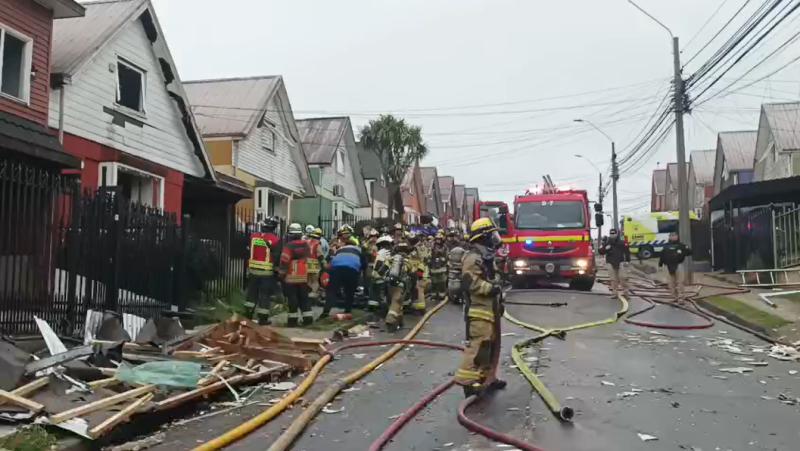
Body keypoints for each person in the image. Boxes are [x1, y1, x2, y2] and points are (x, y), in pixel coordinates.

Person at [455, 217, 506, 397]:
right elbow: (471, 283)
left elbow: (492, 279)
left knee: (489, 348)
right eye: (492, 235)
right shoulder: (472, 258)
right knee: (477, 347)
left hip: (490, 310)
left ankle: (487, 378)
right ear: (483, 237)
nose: (495, 238)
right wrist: (492, 288)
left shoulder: (486, 257)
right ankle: (468, 384)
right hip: (478, 312)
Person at [246, 217, 281, 324]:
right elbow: (277, 257)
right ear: (274, 227)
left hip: (252, 271)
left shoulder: (253, 236)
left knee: (251, 295)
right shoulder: (275, 239)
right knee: (264, 296)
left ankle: (247, 316)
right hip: (266, 272)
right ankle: (263, 319)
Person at [278, 223, 314, 326]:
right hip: (303, 276)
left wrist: (281, 274)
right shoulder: (306, 245)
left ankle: (292, 321)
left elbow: (284, 261)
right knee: (304, 298)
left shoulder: (289, 246)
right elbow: (310, 259)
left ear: (290, 234)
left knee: (292, 299)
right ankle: (308, 320)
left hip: (291, 277)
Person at [323, 236, 367, 317]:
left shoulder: (340, 250)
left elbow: (332, 261)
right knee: (350, 291)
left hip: (336, 269)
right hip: (352, 270)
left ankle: (326, 311)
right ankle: (347, 311)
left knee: (331, 291)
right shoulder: (359, 250)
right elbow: (364, 265)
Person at [381, 237, 413, 332]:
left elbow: (381, 270)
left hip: (389, 284)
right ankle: (390, 320)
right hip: (400, 285)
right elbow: (412, 273)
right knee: (396, 303)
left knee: (395, 303)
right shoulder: (407, 261)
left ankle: (399, 321)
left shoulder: (391, 259)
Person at [659, 232, 692, 301]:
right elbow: (662, 256)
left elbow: (689, 252)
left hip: (678, 265)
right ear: (669, 237)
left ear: (677, 237)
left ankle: (681, 298)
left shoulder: (681, 245)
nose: (673, 237)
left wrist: (685, 250)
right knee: (671, 283)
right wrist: (660, 265)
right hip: (668, 266)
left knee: (680, 282)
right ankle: (674, 297)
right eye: (672, 236)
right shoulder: (666, 246)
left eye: (675, 236)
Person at [598, 229, 630, 298]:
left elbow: (627, 251)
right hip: (610, 262)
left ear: (616, 234)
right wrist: (606, 248)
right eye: (611, 234)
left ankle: (626, 293)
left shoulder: (621, 243)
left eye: (614, 234)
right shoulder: (607, 242)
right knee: (613, 279)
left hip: (620, 262)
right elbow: (600, 251)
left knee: (623, 278)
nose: (612, 235)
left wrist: (627, 260)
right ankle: (614, 293)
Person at [368, 235, 394, 309]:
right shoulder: (391, 253)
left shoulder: (381, 253)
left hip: (380, 278)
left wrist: (375, 275)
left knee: (376, 293)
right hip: (390, 278)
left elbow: (378, 264)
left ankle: (376, 308)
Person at [447, 230, 467, 305]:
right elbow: (449, 255)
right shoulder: (449, 245)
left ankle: (463, 297)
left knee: (465, 282)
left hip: (462, 267)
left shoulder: (465, 248)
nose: (463, 242)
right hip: (454, 267)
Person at [306, 227, 325, 304]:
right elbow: (319, 254)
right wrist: (324, 262)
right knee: (315, 281)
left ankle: (307, 295)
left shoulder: (306, 242)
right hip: (314, 262)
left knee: (308, 280)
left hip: (306, 262)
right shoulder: (318, 243)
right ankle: (313, 295)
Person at [428, 230, 449, 301]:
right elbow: (429, 254)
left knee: (442, 282)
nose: (438, 241)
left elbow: (447, 256)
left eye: (439, 239)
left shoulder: (445, 247)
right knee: (434, 282)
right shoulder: (432, 246)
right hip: (433, 267)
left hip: (442, 267)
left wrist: (443, 259)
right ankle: (434, 295)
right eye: (437, 239)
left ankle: (442, 295)